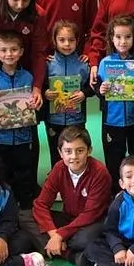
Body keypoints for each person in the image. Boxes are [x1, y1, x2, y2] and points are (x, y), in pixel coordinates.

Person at [31, 126, 112, 266]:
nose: (74, 156)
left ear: (89, 151)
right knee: (26, 217)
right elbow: (41, 204)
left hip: (94, 222)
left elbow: (91, 214)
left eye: (80, 151)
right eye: (68, 151)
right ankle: (71, 255)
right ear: (60, 153)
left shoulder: (100, 172)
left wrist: (60, 235)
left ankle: (59, 249)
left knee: (83, 239)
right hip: (69, 219)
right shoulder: (58, 168)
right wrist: (54, 234)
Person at [0, 30, 39, 207]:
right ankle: (6, 207)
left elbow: (34, 102)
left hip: (24, 136)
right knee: (3, 172)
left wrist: (34, 105)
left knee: (24, 172)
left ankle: (26, 207)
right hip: (1, 137)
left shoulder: (28, 77)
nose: (9, 54)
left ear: (21, 51)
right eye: (4, 50)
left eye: (13, 49)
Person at [97, 15, 134, 179]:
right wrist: (101, 90)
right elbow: (98, 87)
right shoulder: (105, 63)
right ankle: (114, 190)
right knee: (113, 157)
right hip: (112, 120)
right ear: (111, 38)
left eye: (127, 37)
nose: (123, 41)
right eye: (118, 37)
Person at [43, 21, 91, 166]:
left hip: (76, 118)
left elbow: (91, 86)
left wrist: (84, 93)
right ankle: (57, 177)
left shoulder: (83, 63)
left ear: (77, 41)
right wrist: (45, 93)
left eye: (71, 40)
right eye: (62, 40)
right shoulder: (48, 64)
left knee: (77, 150)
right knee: (56, 151)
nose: (67, 44)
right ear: (54, 40)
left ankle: (79, 178)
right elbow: (40, 85)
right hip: (54, 119)